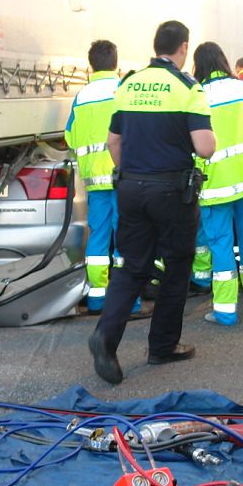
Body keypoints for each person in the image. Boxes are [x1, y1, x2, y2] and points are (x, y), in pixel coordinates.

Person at [88, 20, 215, 385]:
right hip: (172, 192)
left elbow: (114, 142)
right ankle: (162, 347)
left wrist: (131, 173)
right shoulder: (187, 87)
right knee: (176, 266)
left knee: (133, 266)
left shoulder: (128, 84)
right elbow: (204, 146)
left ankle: (105, 337)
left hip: (130, 188)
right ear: (183, 48)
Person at [191, 42, 243, 325]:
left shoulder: (198, 94)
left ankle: (225, 310)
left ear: (198, 66)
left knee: (221, 244)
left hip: (216, 183)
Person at [65, 41, 125, 312]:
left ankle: (98, 298)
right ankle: (130, 301)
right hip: (123, 174)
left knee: (99, 235)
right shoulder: (124, 90)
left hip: (95, 179)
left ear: (91, 65)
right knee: (125, 236)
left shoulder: (82, 96)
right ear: (115, 62)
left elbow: (70, 136)